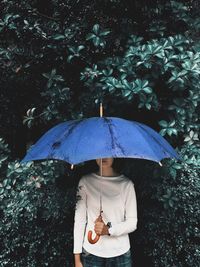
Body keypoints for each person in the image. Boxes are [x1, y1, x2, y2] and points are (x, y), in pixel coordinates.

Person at [73, 158, 138, 267]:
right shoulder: (85, 182)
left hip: (120, 253)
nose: (103, 157)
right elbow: (79, 220)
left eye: (108, 153)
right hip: (91, 253)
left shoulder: (126, 185)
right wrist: (77, 257)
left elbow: (132, 222)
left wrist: (109, 230)